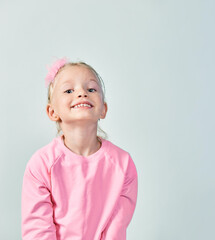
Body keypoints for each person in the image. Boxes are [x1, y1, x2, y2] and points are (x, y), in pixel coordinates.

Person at [21, 58, 138, 240]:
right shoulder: (41, 164)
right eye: (69, 90)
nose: (82, 93)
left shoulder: (123, 163)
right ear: (53, 112)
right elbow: (38, 231)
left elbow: (115, 230)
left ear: (103, 109)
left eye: (91, 89)